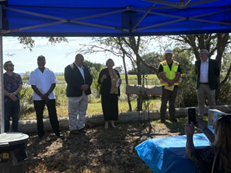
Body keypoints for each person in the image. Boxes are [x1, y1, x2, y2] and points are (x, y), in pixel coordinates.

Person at [28, 55, 62, 139]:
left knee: (53, 115)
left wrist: (47, 94)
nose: (41, 62)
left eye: (42, 61)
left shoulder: (50, 72)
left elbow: (53, 84)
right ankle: (41, 133)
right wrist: (42, 96)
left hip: (50, 97)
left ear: (45, 62)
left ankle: (57, 132)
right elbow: (33, 86)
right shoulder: (34, 73)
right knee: (39, 116)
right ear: (37, 62)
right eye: (39, 61)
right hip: (38, 98)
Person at [64, 54, 92, 135]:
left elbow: (90, 78)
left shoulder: (85, 68)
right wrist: (80, 86)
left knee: (83, 111)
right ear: (76, 59)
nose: (82, 61)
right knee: (73, 112)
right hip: (74, 93)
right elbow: (69, 80)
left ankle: (81, 127)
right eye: (81, 60)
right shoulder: (69, 68)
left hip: (84, 93)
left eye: (83, 60)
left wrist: (87, 85)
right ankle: (73, 128)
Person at [195, 49, 220, 119]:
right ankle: (200, 116)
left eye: (202, 54)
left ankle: (213, 118)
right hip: (200, 85)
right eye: (200, 54)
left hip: (210, 85)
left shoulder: (213, 62)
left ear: (206, 55)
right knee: (200, 102)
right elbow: (196, 72)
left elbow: (217, 72)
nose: (200, 55)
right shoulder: (197, 62)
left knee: (212, 103)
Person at [158, 49, 181, 123]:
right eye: (165, 55)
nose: (166, 56)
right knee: (164, 102)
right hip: (165, 85)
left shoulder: (177, 64)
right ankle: (163, 118)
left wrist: (173, 81)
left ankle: (172, 117)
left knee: (172, 102)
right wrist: (169, 81)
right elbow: (160, 74)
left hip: (174, 85)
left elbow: (179, 74)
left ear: (171, 55)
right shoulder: (162, 64)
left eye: (167, 55)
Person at [98, 58, 122, 129]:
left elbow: (118, 80)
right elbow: (99, 82)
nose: (110, 65)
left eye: (111, 63)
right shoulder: (103, 71)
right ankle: (106, 122)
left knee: (114, 107)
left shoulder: (116, 71)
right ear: (106, 64)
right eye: (108, 63)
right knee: (106, 107)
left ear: (113, 64)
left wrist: (120, 82)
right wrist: (102, 78)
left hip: (114, 92)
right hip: (106, 92)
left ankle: (112, 122)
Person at [3, 61, 22, 132]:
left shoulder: (17, 76)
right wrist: (9, 95)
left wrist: (14, 94)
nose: (12, 66)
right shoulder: (2, 77)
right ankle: (6, 134)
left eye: (13, 65)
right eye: (10, 65)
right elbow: (1, 88)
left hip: (15, 100)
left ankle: (15, 134)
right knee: (6, 119)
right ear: (5, 67)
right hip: (6, 101)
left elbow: (20, 87)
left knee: (15, 118)